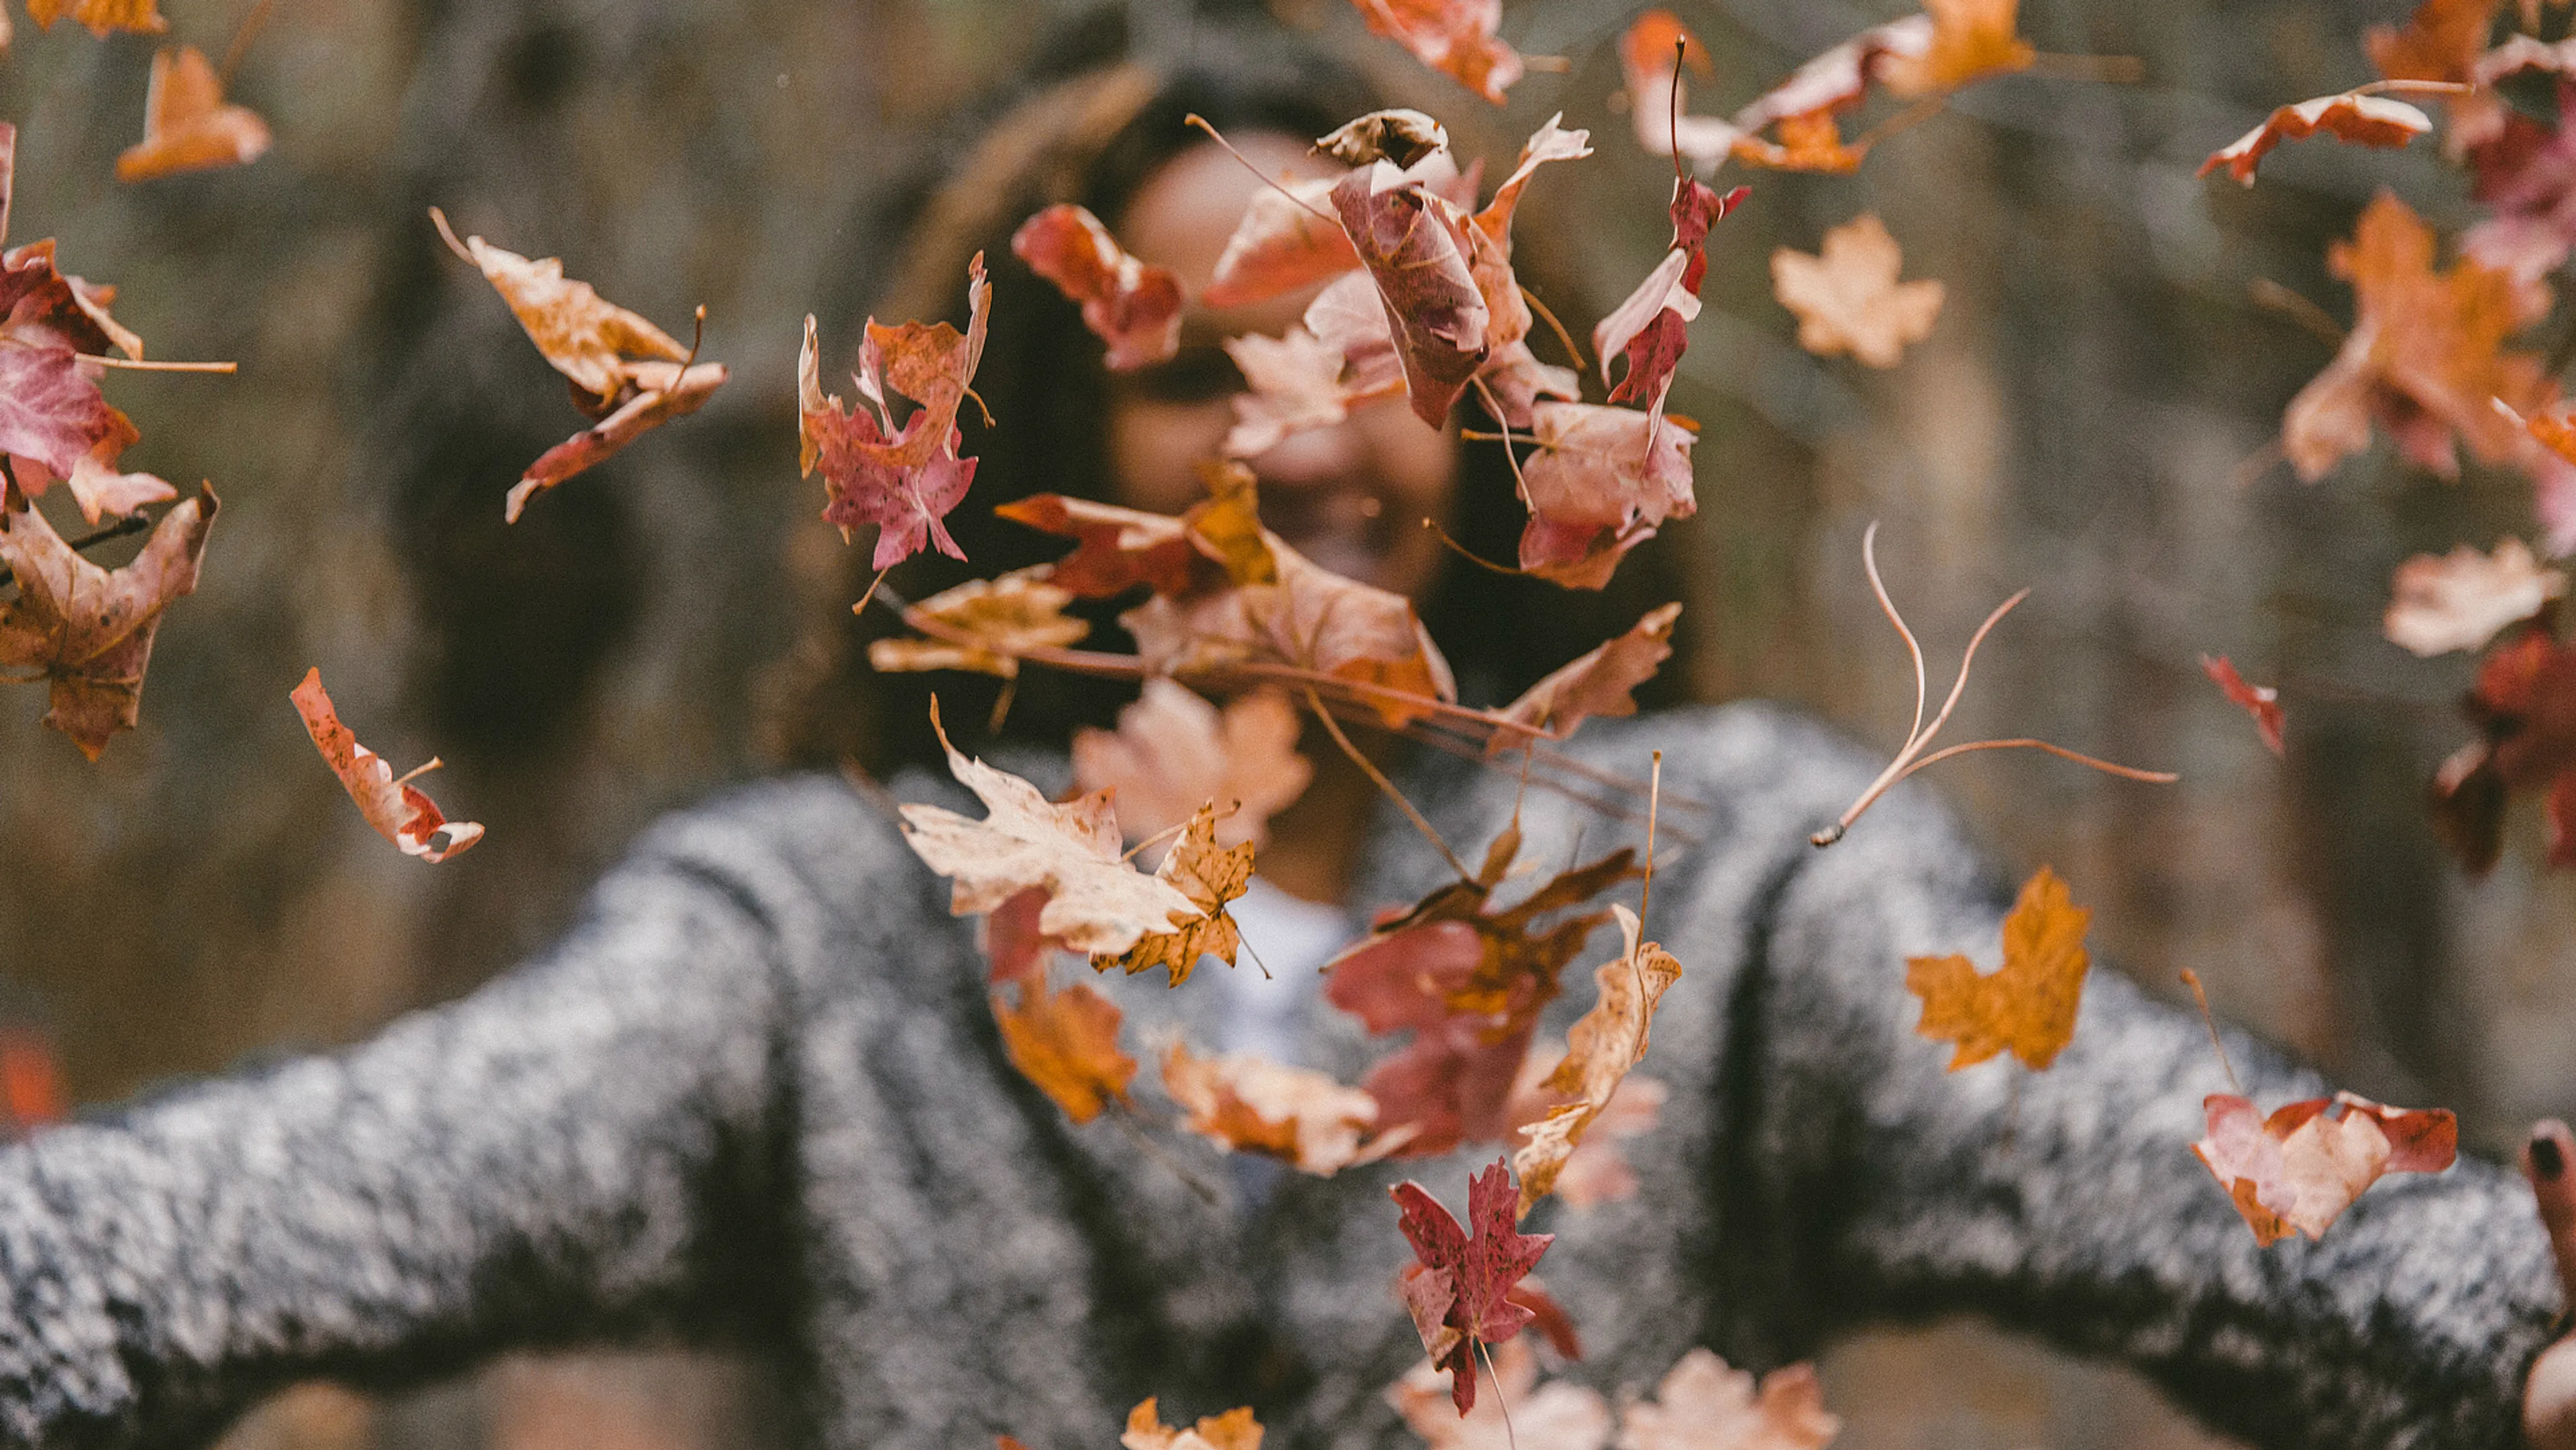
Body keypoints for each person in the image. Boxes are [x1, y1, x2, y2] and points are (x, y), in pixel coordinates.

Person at [0, 11, 2569, 1450]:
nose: (1291, 434)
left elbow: (2169, 1181)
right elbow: (334, 1192)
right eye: (1187, 374)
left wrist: (2512, 1319)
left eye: (1364, 349)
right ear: (1044, 448)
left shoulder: (1729, 881)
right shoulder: (829, 938)